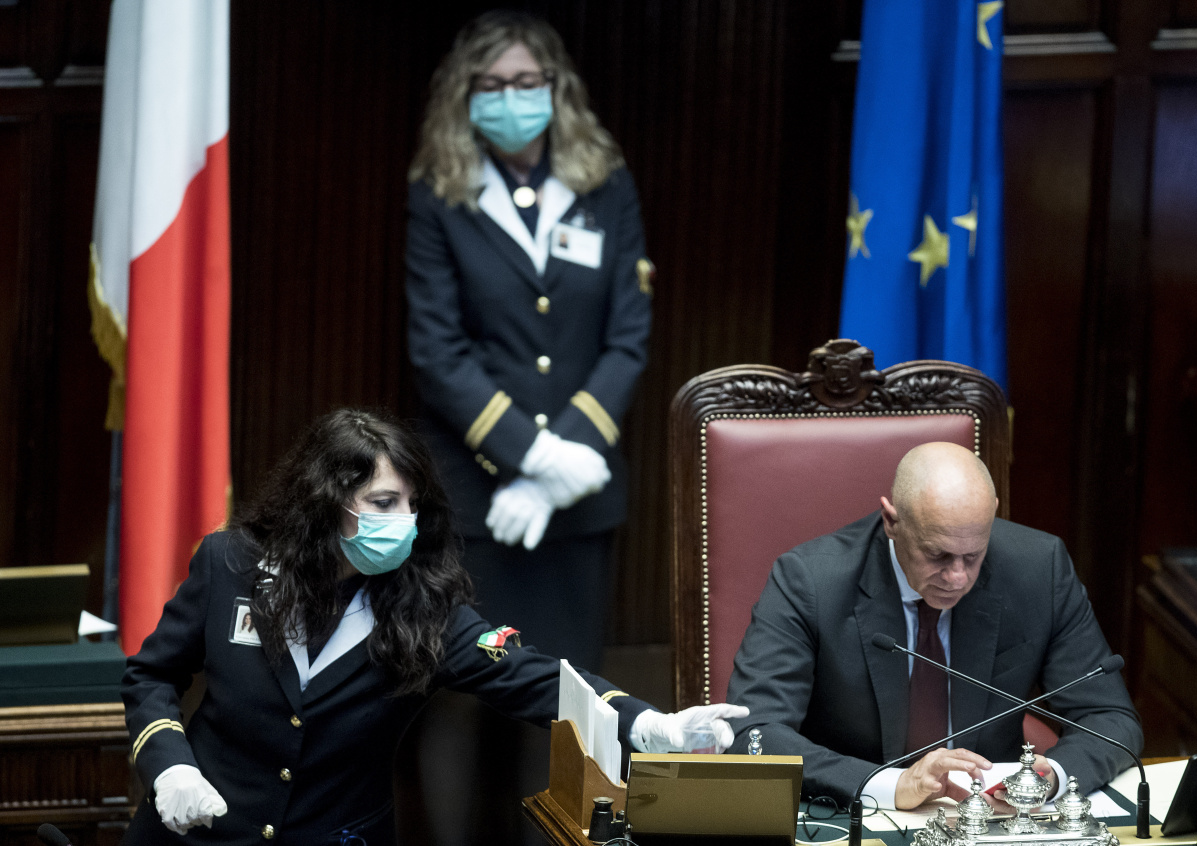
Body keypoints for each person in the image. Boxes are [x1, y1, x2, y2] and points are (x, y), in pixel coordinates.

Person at [120, 409, 744, 845]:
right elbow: (150, 675)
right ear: (326, 502)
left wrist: (649, 725)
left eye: (412, 504)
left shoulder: (427, 609)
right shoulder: (230, 564)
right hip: (197, 834)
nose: (405, 521)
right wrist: (169, 767)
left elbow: (537, 681)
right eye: (384, 503)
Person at [405, 9, 652, 670]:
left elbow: (628, 338)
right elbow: (437, 351)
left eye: (524, 81)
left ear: (554, 86)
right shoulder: (439, 195)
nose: (509, 98)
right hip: (475, 496)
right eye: (489, 85)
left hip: (580, 494)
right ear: (465, 95)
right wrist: (532, 455)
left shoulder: (605, 185)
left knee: (568, 693)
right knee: (466, 684)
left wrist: (557, 471)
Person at [726, 442, 1142, 810]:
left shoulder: (1039, 569)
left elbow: (1109, 716)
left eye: (973, 556)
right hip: (859, 813)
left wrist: (1048, 780)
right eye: (937, 555)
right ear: (891, 522)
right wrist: (891, 785)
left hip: (991, 818)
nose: (957, 577)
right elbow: (753, 734)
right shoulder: (810, 581)